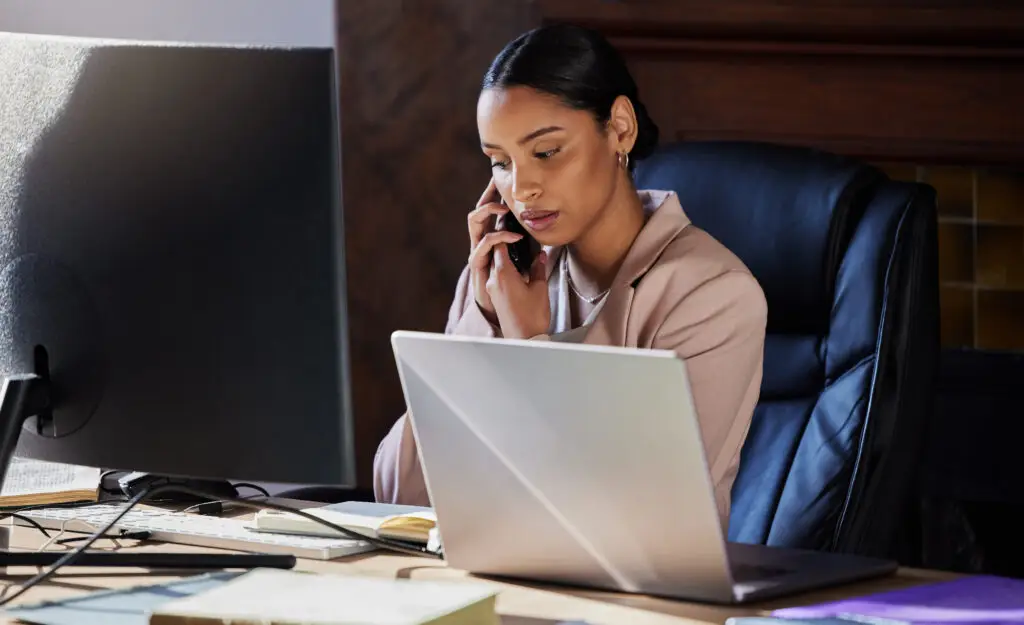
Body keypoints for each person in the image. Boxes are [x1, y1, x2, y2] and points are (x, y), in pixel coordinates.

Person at [373, 23, 767, 524]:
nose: (522, 188)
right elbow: (400, 495)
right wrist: (485, 326)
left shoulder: (713, 297)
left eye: (545, 152)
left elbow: (621, 518)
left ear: (620, 128)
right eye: (499, 162)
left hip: (641, 597)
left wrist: (530, 343)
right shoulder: (501, 283)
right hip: (501, 579)